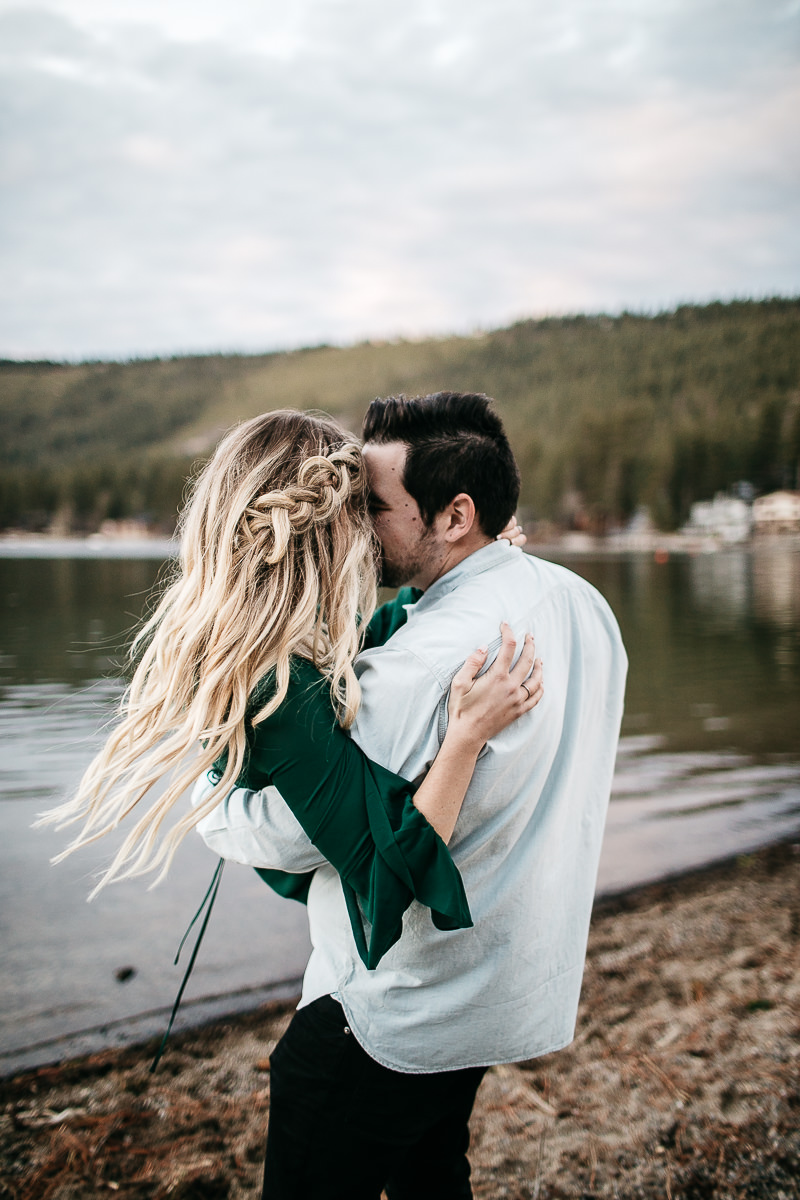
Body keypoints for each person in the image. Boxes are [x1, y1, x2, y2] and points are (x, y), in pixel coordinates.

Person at [198, 392, 628, 1200]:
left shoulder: (421, 668)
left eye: (374, 505)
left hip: (388, 1013)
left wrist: (208, 795)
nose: (354, 524)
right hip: (500, 991)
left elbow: (291, 838)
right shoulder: (583, 607)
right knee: (435, 1179)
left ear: (455, 515)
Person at [39, 407, 541, 983]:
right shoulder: (276, 688)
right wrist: (466, 739)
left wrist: (471, 560)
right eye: (367, 512)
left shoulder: (272, 634)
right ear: (333, 530)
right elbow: (387, 885)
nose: (373, 531)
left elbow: (360, 649)